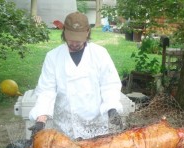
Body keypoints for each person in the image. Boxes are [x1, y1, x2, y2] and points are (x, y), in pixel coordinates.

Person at [28, 11, 123, 140]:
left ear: (88, 33)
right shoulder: (53, 57)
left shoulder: (100, 54)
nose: (74, 43)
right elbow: (46, 89)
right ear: (64, 33)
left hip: (95, 127)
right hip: (65, 128)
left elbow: (109, 84)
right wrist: (41, 118)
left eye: (78, 40)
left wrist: (112, 108)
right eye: (71, 39)